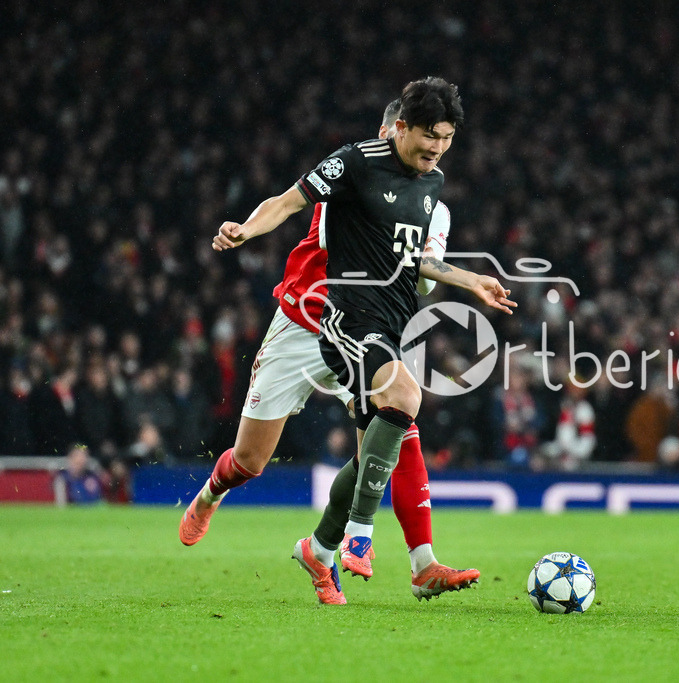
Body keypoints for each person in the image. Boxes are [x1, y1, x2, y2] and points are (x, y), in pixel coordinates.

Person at [195, 78, 515, 605]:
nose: (436, 150)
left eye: (446, 139)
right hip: (306, 320)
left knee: (396, 429)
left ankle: (413, 561)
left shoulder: (431, 193)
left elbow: (418, 266)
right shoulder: (352, 170)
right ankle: (216, 495)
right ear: (394, 131)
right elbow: (288, 203)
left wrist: (469, 279)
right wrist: (246, 230)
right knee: (251, 460)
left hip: (369, 326)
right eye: (425, 137)